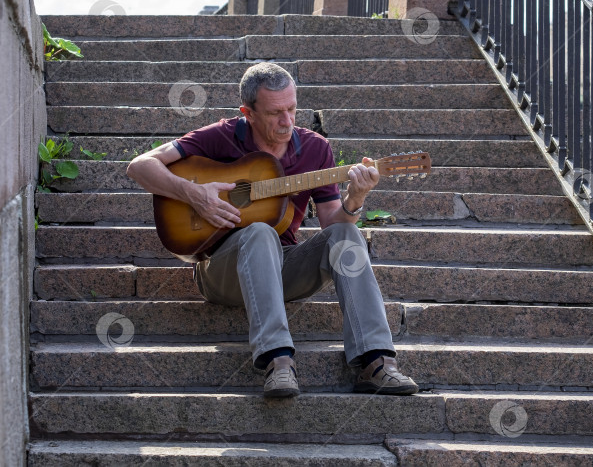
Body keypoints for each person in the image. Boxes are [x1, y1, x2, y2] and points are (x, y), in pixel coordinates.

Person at [127, 62, 418, 398]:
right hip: (223, 272)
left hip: (283, 270)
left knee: (348, 235)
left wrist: (355, 198)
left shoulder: (315, 148)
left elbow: (331, 224)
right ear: (247, 112)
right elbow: (139, 166)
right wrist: (194, 194)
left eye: (292, 109)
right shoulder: (220, 136)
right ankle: (278, 361)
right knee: (260, 231)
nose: (287, 121)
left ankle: (376, 361)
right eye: (275, 113)